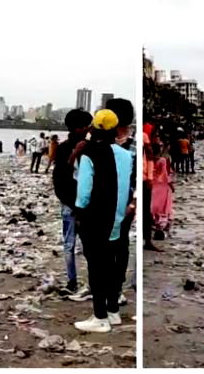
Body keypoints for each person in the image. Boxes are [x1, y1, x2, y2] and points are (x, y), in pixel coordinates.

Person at [73, 109, 133, 333]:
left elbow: (84, 192)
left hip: (96, 218)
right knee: (112, 264)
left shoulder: (90, 153)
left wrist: (79, 215)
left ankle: (99, 317)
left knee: (96, 267)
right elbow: (125, 186)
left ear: (94, 128)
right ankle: (113, 311)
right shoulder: (126, 155)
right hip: (117, 217)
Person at [53, 109, 92, 294]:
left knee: (89, 246)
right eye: (85, 125)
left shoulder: (93, 147)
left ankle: (93, 282)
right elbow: (60, 179)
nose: (88, 128)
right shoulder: (64, 149)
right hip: (71, 204)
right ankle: (72, 281)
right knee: (70, 245)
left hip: (88, 205)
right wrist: (75, 205)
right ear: (76, 128)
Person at [106, 97, 137, 302]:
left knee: (119, 244)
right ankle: (108, 286)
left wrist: (132, 203)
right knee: (109, 245)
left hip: (124, 203)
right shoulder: (104, 141)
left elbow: (137, 177)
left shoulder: (133, 146)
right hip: (106, 201)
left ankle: (116, 288)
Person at [150, 142, 174, 240]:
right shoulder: (162, 160)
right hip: (162, 185)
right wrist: (171, 185)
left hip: (152, 183)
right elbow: (164, 174)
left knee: (153, 205)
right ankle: (162, 225)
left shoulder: (149, 160)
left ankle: (154, 223)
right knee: (164, 206)